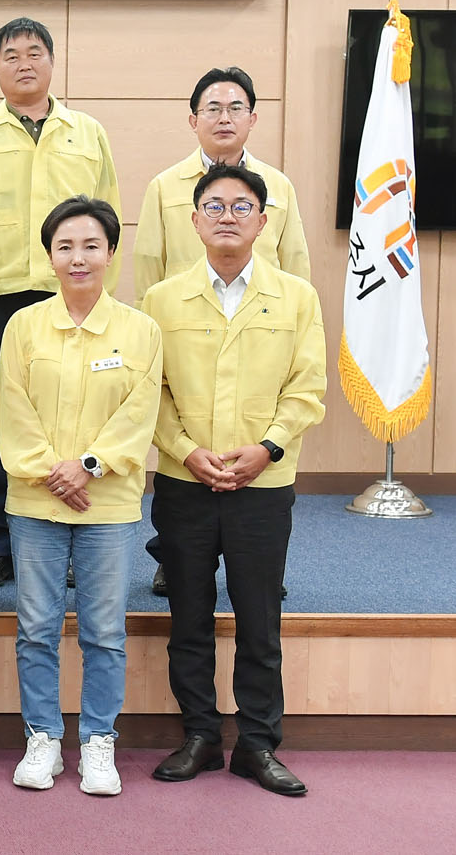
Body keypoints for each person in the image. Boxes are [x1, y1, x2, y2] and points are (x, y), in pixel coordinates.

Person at [144, 163, 325, 798]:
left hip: (263, 485)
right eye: (215, 206)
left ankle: (257, 744)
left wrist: (267, 449)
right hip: (183, 482)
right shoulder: (161, 300)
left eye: (242, 206)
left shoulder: (297, 298)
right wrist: (185, 450)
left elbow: (307, 388)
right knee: (188, 616)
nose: (228, 215)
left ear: (263, 221)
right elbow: (150, 393)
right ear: (194, 221)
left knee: (259, 618)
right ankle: (199, 735)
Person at [0, 197, 160, 797]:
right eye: (65, 246)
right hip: (36, 501)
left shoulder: (140, 330)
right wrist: (52, 471)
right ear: (49, 256)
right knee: (36, 628)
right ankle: (42, 737)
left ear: (111, 252)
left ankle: (97, 741)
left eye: (91, 245)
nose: (78, 257)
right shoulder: (23, 326)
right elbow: (11, 406)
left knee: (104, 631)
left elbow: (139, 412)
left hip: (107, 504)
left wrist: (88, 466)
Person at [0, 17, 122, 592]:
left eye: (35, 53)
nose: (24, 63)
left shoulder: (88, 132)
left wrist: (100, 296)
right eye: (11, 55)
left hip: (71, 296)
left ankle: (69, 541)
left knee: (72, 417)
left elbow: (107, 220)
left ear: (52, 62)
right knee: (2, 422)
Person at [133, 67, 310, 596]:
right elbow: (149, 270)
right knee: (182, 455)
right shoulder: (165, 186)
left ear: (253, 118)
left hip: (261, 334)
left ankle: (259, 568)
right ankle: (172, 557)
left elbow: (295, 267)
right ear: (193, 120)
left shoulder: (278, 187)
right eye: (213, 108)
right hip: (184, 336)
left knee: (257, 456)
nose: (224, 117)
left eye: (236, 108)